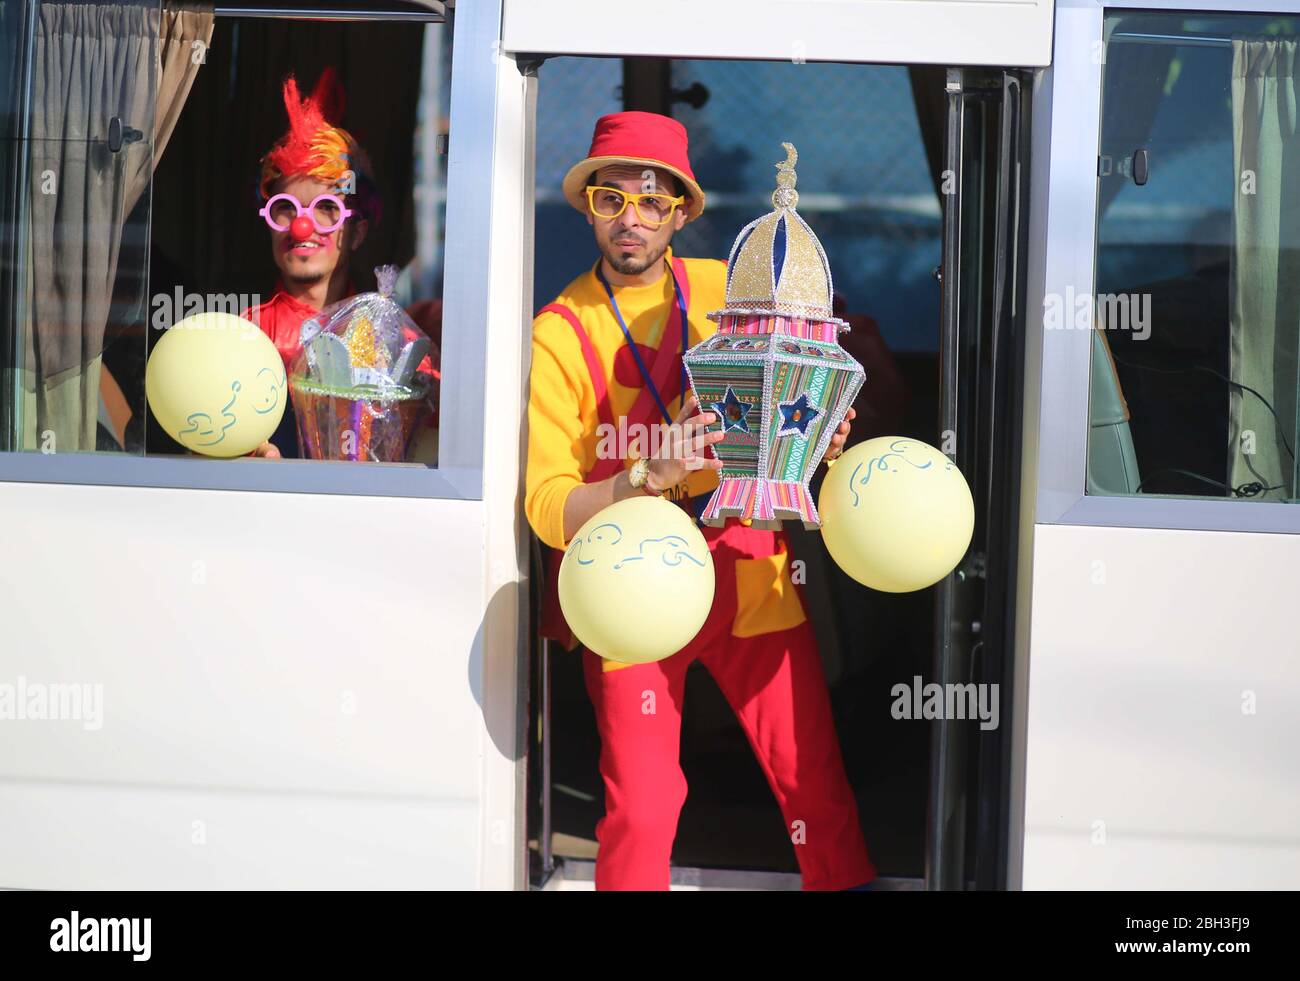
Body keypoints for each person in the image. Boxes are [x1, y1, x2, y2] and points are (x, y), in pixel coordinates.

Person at [524, 111, 876, 891]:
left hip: (747, 566)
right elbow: (547, 507)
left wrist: (823, 432)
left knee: (814, 792)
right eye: (612, 199)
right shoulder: (557, 332)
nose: (632, 219)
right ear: (588, 208)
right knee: (644, 810)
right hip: (632, 585)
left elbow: (821, 381)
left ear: (682, 210)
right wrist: (643, 477)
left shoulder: (730, 289)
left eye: (653, 201)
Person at [242, 68, 438, 458]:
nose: (302, 226)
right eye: (285, 209)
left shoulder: (395, 341)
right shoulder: (243, 336)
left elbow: (433, 443)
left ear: (357, 233)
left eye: (326, 209)